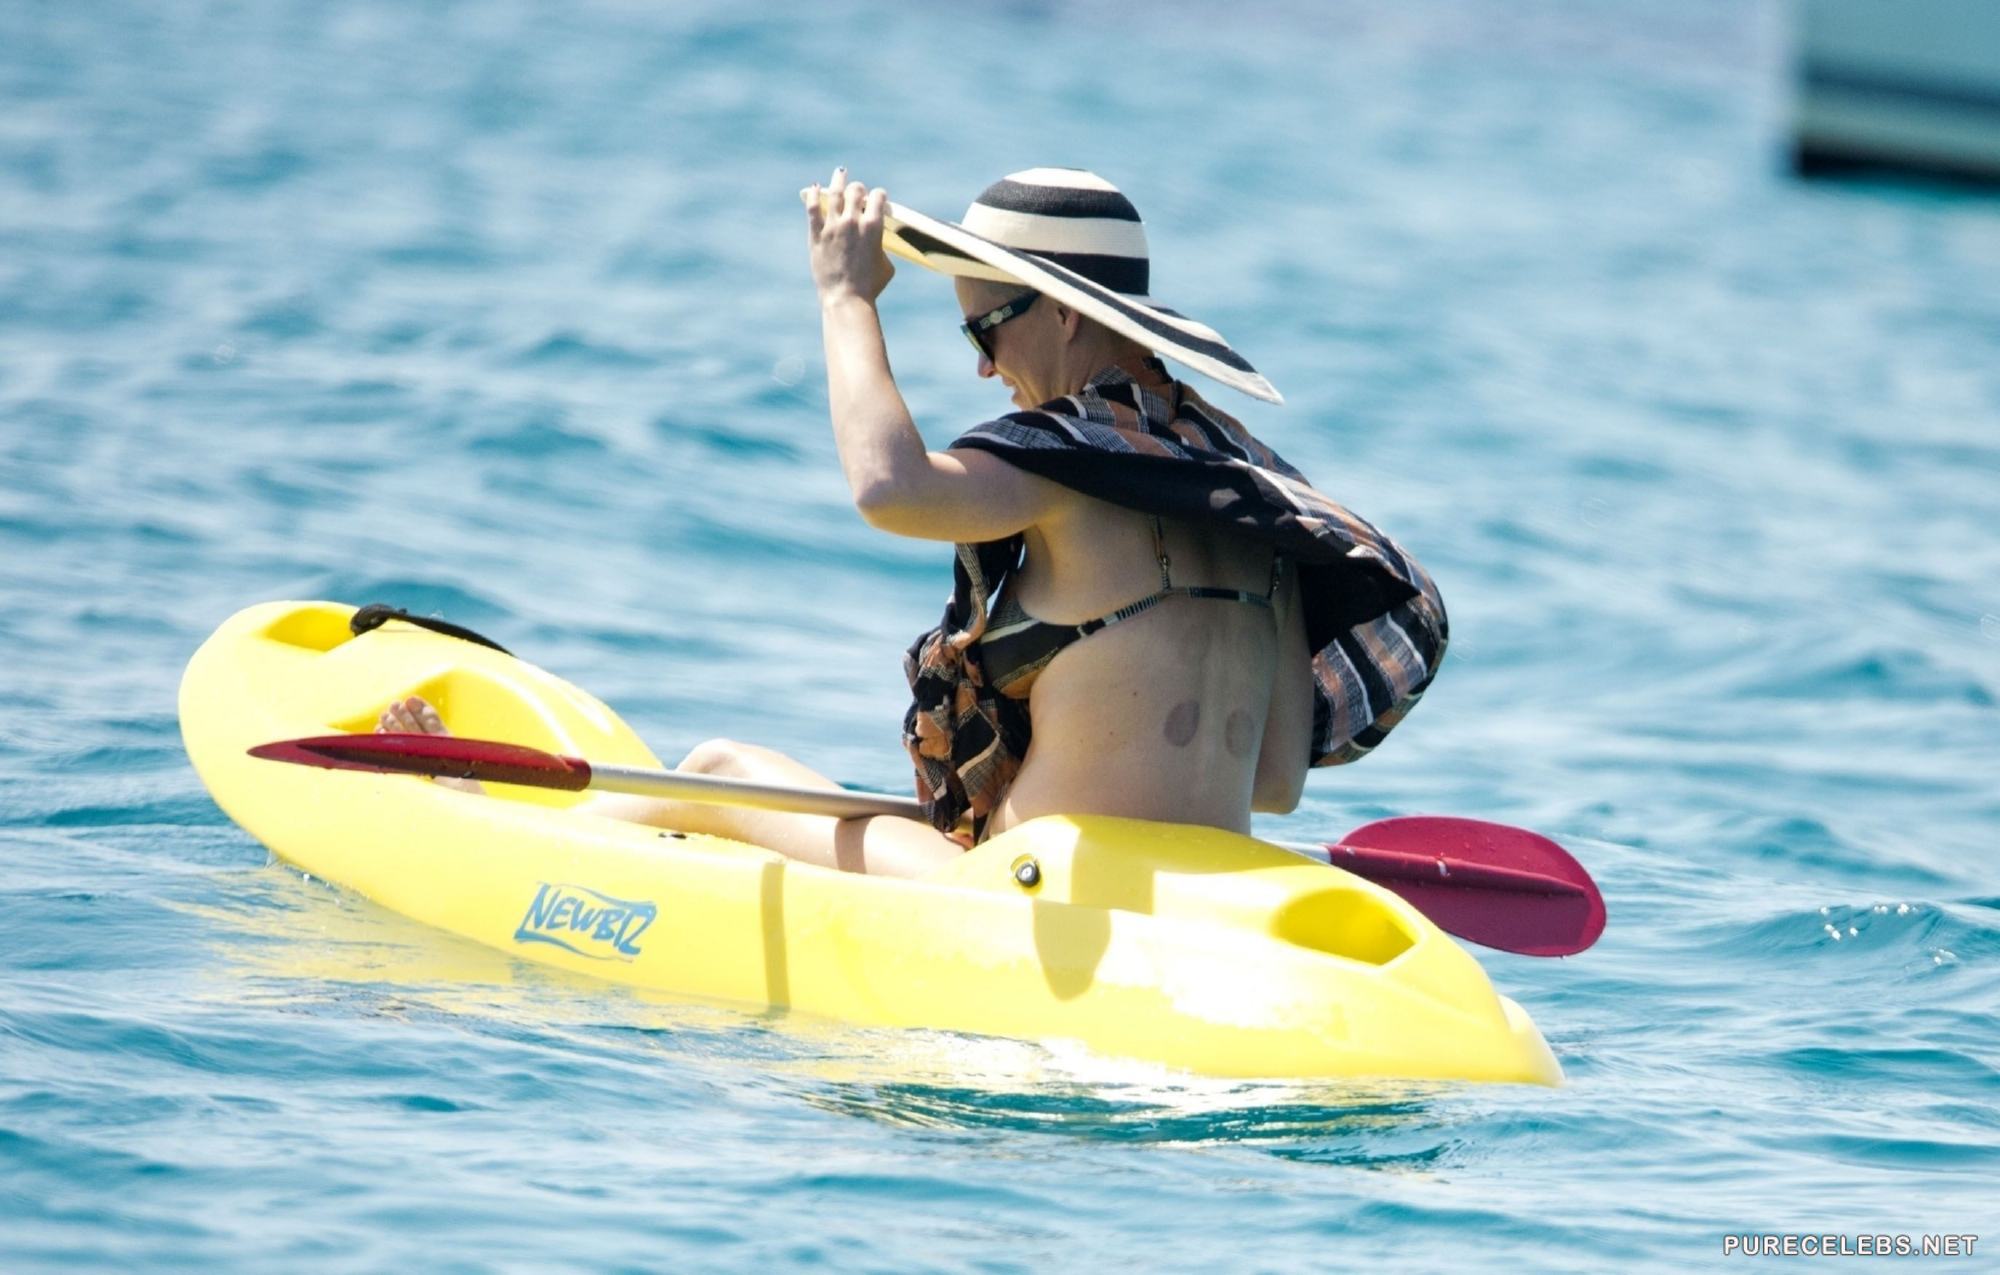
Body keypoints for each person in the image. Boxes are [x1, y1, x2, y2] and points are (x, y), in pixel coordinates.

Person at [382, 166, 1447, 878]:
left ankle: (486, 833)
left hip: (1033, 895)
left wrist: (846, 298)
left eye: (984, 329)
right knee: (832, 812)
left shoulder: (1072, 465)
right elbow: (1274, 783)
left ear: (1063, 313)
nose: (982, 366)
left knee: (717, 770)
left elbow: (887, 485)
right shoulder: (1260, 510)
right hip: (1204, 892)